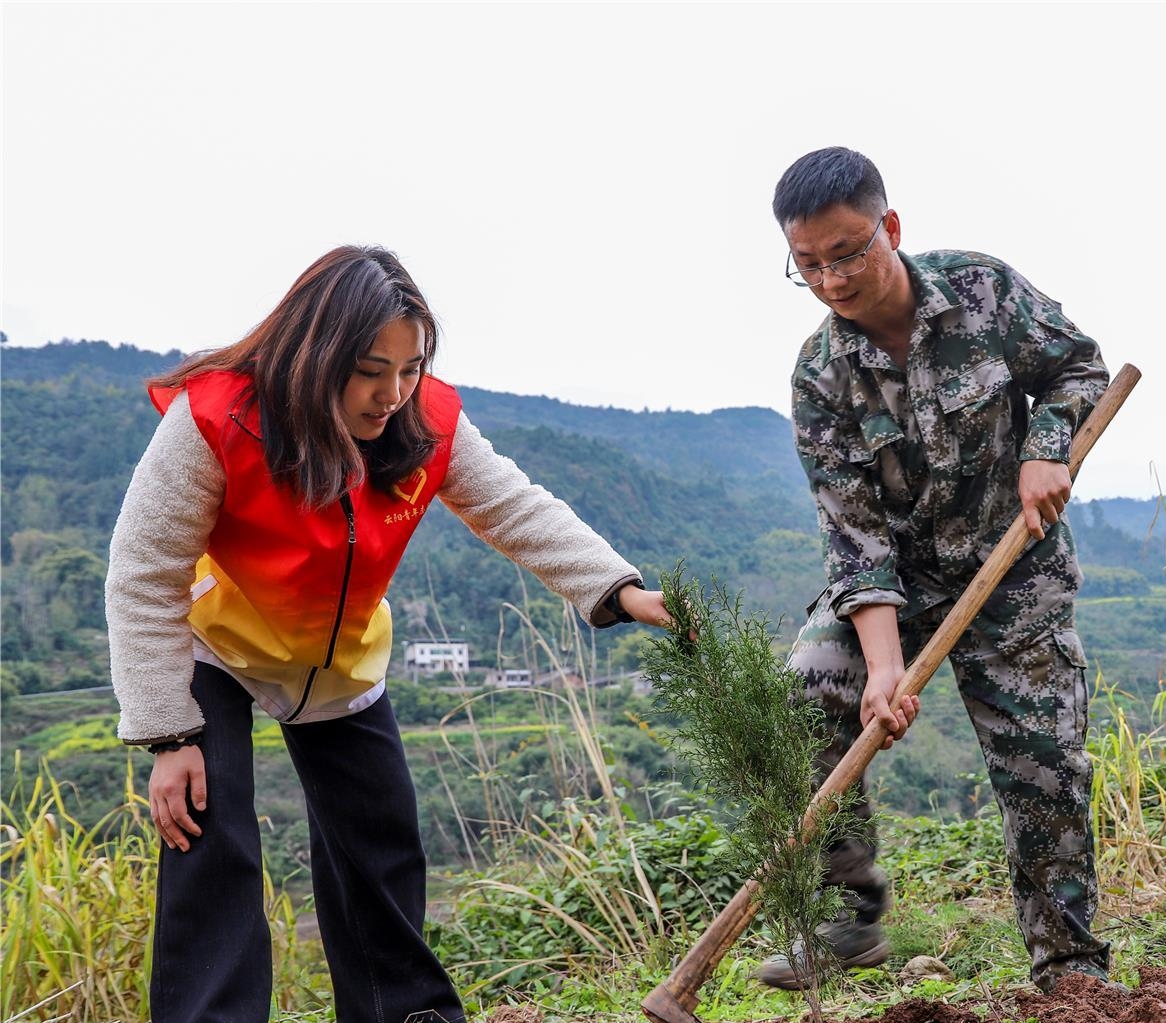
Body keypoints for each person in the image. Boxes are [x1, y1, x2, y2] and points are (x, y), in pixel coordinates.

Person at [106, 245, 675, 1023]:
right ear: (318, 353)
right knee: (213, 839)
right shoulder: (215, 418)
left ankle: (407, 1016)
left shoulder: (425, 419)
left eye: (410, 368)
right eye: (372, 369)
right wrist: (169, 735)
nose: (393, 392)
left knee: (380, 847)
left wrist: (619, 587)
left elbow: (512, 506)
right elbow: (143, 569)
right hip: (217, 647)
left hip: (339, 659)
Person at [761, 146, 1111, 992]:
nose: (832, 281)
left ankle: (1068, 970)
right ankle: (851, 913)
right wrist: (883, 667)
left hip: (1011, 566)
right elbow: (855, 538)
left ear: (891, 227)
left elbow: (1080, 366)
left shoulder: (983, 291)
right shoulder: (821, 374)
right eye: (806, 265)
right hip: (902, 581)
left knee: (1043, 765)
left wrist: (1046, 448)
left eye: (847, 253)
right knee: (809, 687)